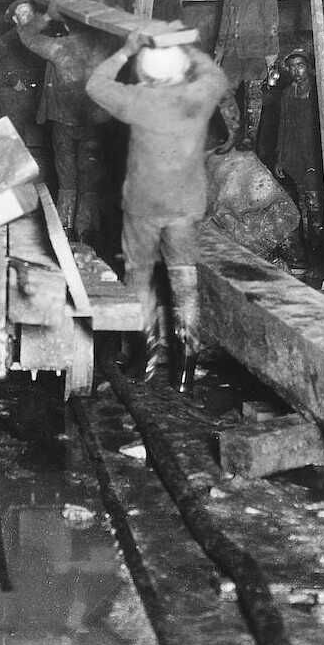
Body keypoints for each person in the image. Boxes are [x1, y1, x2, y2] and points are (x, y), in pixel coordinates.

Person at [86, 31, 229, 391]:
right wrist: (186, 46)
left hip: (142, 206)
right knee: (184, 281)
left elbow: (96, 84)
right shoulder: (199, 95)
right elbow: (216, 75)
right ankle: (184, 372)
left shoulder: (139, 100)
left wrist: (126, 49)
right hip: (183, 207)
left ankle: (142, 358)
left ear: (145, 73)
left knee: (138, 275)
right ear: (181, 69)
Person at [16, 3, 114, 241]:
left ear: (69, 25)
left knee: (66, 177)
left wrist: (44, 16)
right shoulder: (105, 46)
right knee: (89, 178)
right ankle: (88, 231)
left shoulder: (60, 48)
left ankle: (65, 227)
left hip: (64, 121)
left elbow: (27, 37)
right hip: (93, 123)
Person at [214, 0, 282, 153]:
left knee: (253, 94)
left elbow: (272, 24)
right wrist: (219, 51)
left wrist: (271, 54)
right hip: (233, 51)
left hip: (256, 51)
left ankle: (249, 138)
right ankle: (233, 134)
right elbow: (224, 23)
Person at [262, 47, 324, 261]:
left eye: (300, 65)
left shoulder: (319, 91)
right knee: (297, 205)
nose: (296, 71)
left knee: (315, 204)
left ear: (308, 67)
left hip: (314, 154)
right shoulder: (288, 93)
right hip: (293, 154)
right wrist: (280, 158)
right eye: (292, 67)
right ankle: (304, 253)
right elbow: (283, 127)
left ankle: (319, 254)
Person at [0, 0, 50, 176]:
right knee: (14, 135)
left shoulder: (43, 39)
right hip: (13, 95)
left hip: (36, 93)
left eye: (29, 12)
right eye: (22, 13)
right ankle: (11, 174)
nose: (26, 16)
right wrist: (12, 80)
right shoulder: (8, 40)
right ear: (15, 19)